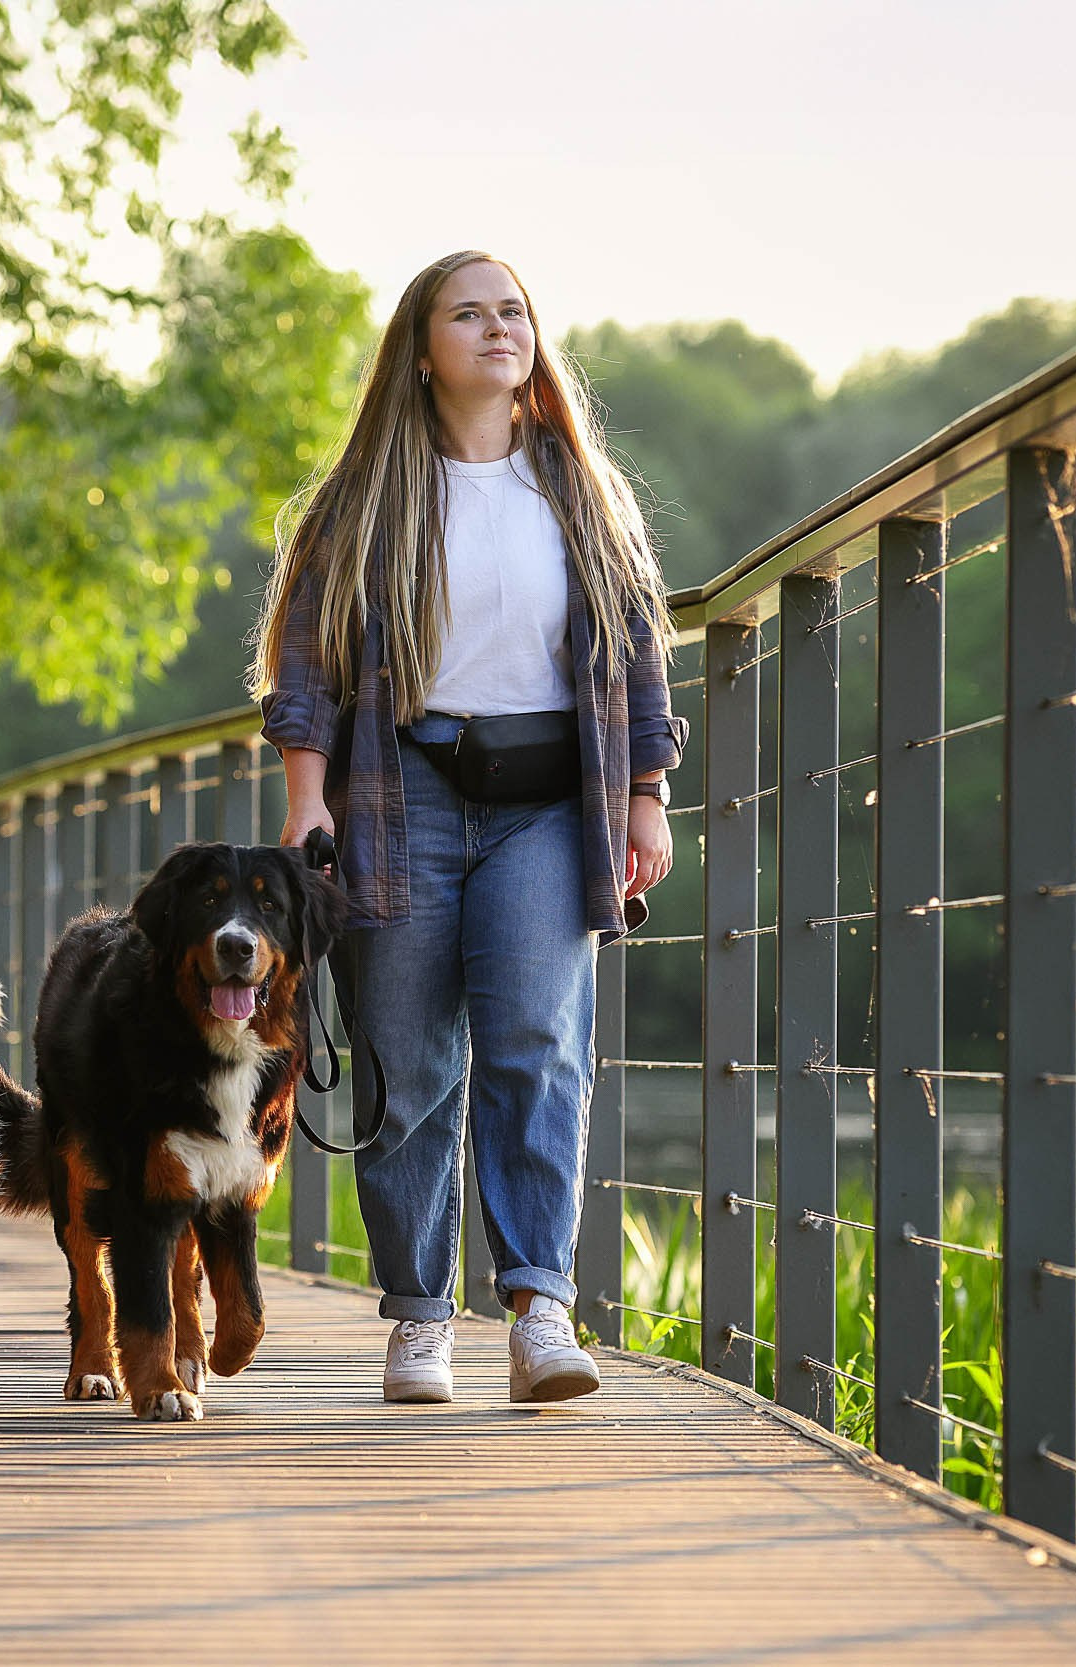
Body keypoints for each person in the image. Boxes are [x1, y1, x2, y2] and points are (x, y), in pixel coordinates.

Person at [255, 250, 685, 1404]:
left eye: (514, 312)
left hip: (550, 802)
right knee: (406, 1056)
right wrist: (309, 797)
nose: (499, 329)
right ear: (422, 346)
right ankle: (417, 1316)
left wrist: (647, 792)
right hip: (402, 793)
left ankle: (540, 1306)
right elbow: (303, 662)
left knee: (534, 1041)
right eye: (470, 313)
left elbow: (638, 654)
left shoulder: (582, 493)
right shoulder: (363, 499)